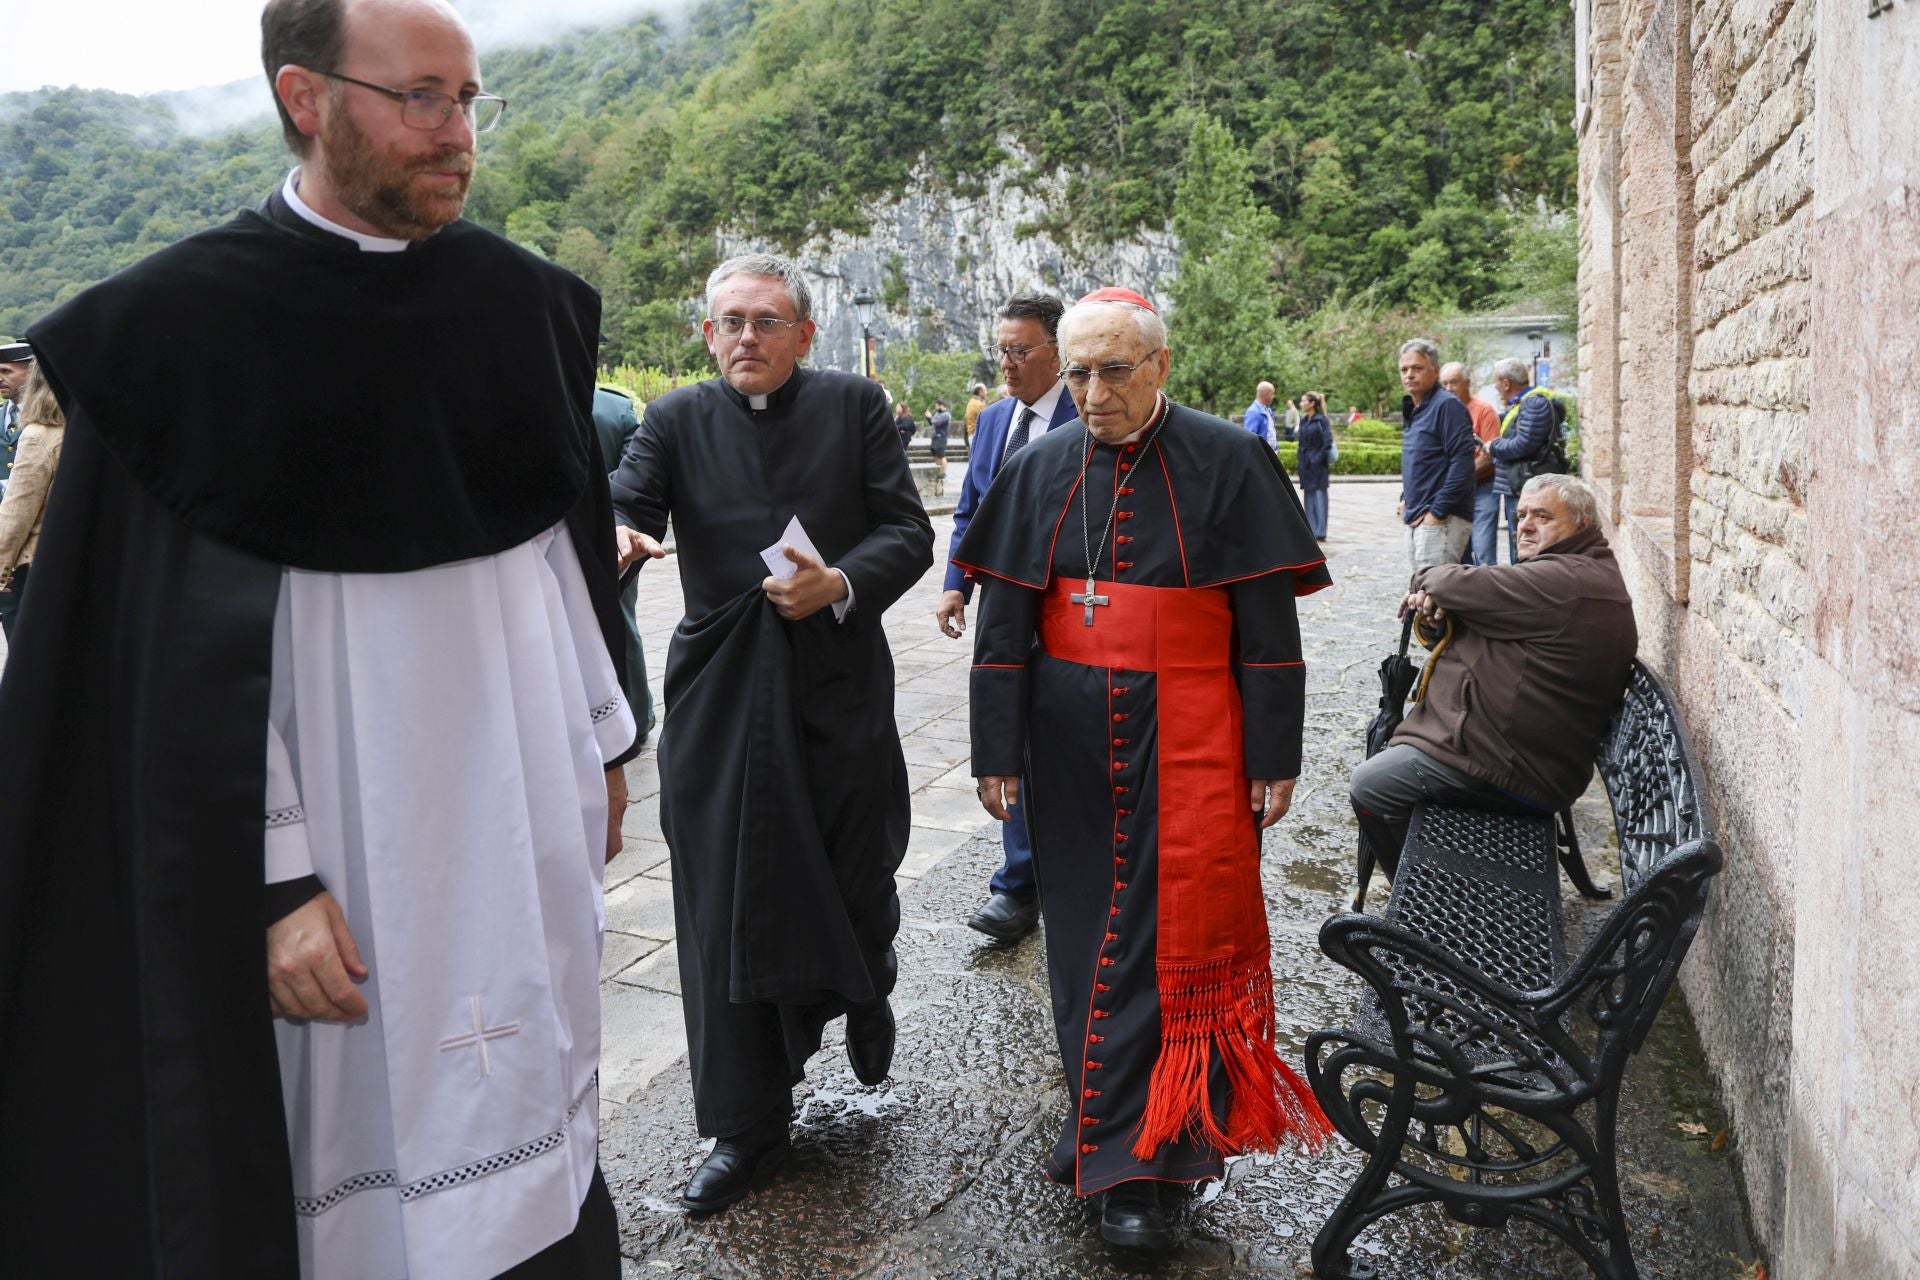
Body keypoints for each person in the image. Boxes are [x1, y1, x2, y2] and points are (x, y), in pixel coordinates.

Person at [0, 1, 639, 1275]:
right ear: (306, 97)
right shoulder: (174, 338)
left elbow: (558, 556)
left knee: (536, 1148)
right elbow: (173, 660)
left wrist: (605, 743)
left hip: (516, 812)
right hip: (332, 843)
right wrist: (275, 881)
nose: (458, 133)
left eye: (469, 99)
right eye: (422, 99)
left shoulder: (527, 307)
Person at [955, 287, 1332, 1250]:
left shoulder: (1232, 458)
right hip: (1068, 747)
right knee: (1085, 944)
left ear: (1160, 365)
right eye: (1077, 372)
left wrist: (1273, 753)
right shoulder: (1038, 467)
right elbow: (1002, 628)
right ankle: (1106, 1126)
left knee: (1169, 950)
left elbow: (1268, 631)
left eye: (1113, 370)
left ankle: (1150, 1162)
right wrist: (996, 747)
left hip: (1192, 735)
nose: (1093, 392)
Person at [609, 252, 933, 1214]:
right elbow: (628, 499)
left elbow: (906, 532)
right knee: (723, 901)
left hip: (834, 688)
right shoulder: (673, 420)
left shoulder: (854, 408)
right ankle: (743, 1125)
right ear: (707, 336)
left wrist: (837, 583)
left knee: (852, 870)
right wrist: (617, 531)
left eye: (766, 320)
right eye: (730, 322)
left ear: (803, 333)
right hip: (719, 695)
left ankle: (862, 984)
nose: (747, 337)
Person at [1349, 473, 1637, 875]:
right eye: (1520, 515)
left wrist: (1428, 586)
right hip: (1513, 752)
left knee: (1373, 787)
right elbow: (1484, 626)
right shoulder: (1571, 573)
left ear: (1582, 524)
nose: (1525, 525)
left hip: (1516, 772)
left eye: (1542, 516)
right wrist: (1436, 616)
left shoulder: (1566, 581)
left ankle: (1425, 906)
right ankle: (1424, 892)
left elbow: (1445, 577)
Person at [936, 292, 1078, 946]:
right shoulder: (993, 421)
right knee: (1009, 732)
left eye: (1022, 351)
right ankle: (1018, 886)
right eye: (1002, 351)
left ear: (1058, 351)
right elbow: (971, 511)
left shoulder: (1093, 412)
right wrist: (956, 582)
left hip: (1076, 604)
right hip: (1002, 606)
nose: (1009, 363)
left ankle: (1082, 869)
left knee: (1076, 732)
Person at [593, 383, 654, 736]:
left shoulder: (535, 399)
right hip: (611, 536)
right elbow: (635, 478)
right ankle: (637, 715)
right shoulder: (615, 408)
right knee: (623, 620)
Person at [1396, 338, 1476, 573]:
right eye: (1404, 369)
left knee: (1438, 595)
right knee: (1422, 591)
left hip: (1441, 518)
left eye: (1417, 368)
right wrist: (1405, 499)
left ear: (1435, 371)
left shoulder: (1447, 405)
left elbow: (1463, 462)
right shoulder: (1416, 407)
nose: (1409, 374)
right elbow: (1419, 459)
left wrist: (1438, 511)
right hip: (1417, 515)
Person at [0, 361, 64, 629]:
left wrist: (1, 567)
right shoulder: (93, 430)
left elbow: (17, 512)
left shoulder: (39, 435)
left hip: (39, 560)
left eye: (6, 371)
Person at [1487, 356, 1565, 565]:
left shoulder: (1534, 403)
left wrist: (1493, 447)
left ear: (1506, 383)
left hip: (1525, 485)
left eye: (1496, 383)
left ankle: (1525, 587)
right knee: (1519, 541)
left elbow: (1525, 443)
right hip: (1518, 483)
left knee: (1526, 542)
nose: (1496, 389)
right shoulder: (1524, 403)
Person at [1439, 361, 1503, 566]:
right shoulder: (1441, 411)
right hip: (1454, 492)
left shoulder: (1484, 411)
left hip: (1481, 488)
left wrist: (1460, 476)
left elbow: (1489, 454)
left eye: (1454, 383)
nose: (1449, 389)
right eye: (1445, 384)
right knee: (1456, 551)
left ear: (1467, 383)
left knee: (1483, 551)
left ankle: (1488, 595)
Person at [0, 340, 35, 637]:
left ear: (31, 371)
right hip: (3, 529)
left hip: (36, 533)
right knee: (10, 612)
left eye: (6, 371)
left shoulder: (53, 417)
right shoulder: (1, 418)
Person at [1295, 391, 1334, 540]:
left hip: (1318, 464)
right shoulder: (1303, 420)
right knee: (1308, 497)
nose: (1301, 404)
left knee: (1319, 497)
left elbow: (1327, 442)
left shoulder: (1321, 420)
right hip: (1305, 463)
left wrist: (1317, 459)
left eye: (1304, 401)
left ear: (1312, 403)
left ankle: (1321, 531)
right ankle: (1310, 530)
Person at [926, 398, 952, 496]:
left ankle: (943, 473)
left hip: (941, 438)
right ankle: (938, 470)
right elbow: (932, 422)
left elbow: (936, 422)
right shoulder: (937, 414)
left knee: (941, 455)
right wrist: (928, 417)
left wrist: (929, 416)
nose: (936, 408)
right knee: (935, 455)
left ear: (941, 405)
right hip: (935, 438)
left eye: (937, 406)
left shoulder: (946, 415)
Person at [1242, 379, 1277, 446]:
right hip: (1262, 455)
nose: (1273, 396)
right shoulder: (1253, 412)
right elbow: (1249, 440)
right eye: (1272, 394)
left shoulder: (1268, 410)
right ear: (1266, 394)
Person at [963, 381, 988, 447]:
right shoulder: (979, 405)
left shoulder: (971, 402)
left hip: (971, 435)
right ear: (980, 392)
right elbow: (987, 421)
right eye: (985, 390)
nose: (986, 393)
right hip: (978, 436)